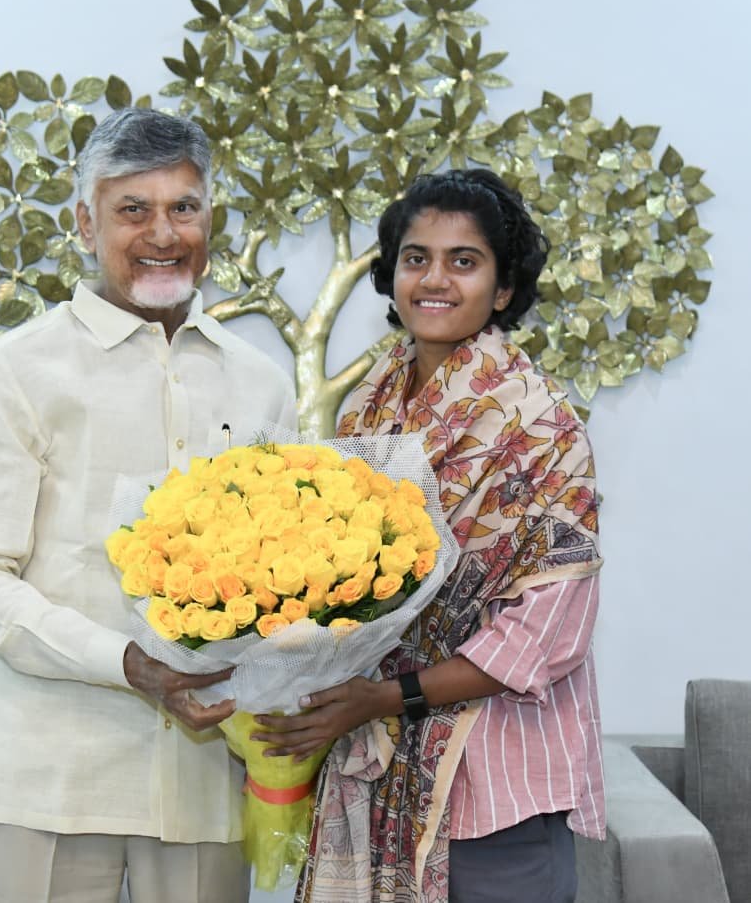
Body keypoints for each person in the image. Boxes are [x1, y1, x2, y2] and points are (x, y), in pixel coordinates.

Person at [0, 108, 297, 903]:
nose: (162, 233)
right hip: (51, 778)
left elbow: (285, 578)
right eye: (133, 209)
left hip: (206, 780)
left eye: (183, 207)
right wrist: (129, 664)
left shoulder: (261, 382)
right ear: (84, 222)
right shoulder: (14, 370)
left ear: (211, 218)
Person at [254, 168, 604, 903]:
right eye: (417, 258)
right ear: (392, 275)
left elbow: (546, 633)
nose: (435, 279)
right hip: (373, 758)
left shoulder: (541, 426)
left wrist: (387, 696)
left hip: (495, 783)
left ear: (503, 289)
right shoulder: (367, 408)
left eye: (463, 261)